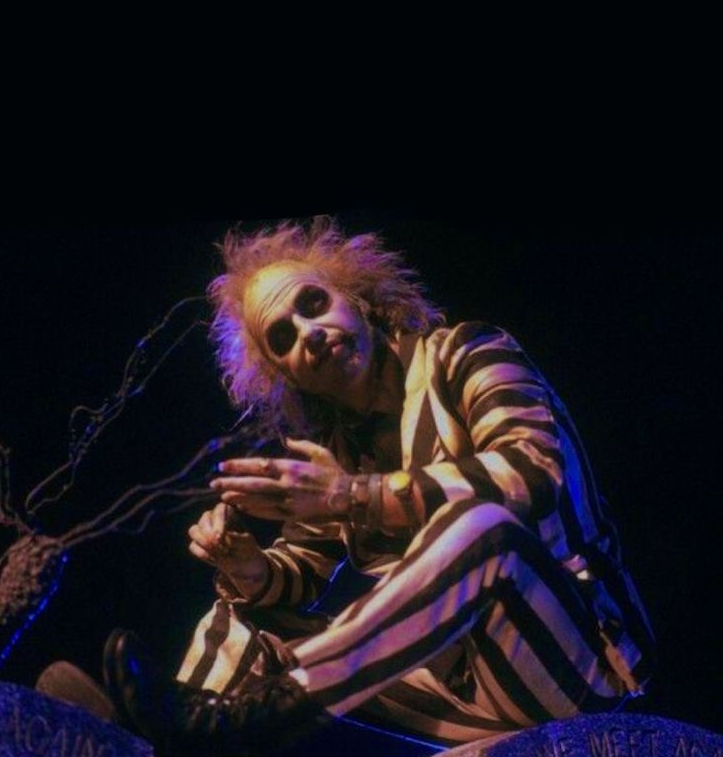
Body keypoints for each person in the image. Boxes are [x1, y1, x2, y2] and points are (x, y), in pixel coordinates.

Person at [104, 217, 655, 755]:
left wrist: (353, 495)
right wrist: (251, 568)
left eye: (313, 303)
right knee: (241, 620)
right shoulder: (338, 450)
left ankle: (267, 716)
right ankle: (142, 746)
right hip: (459, 692)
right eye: (283, 337)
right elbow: (302, 572)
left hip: (577, 660)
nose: (308, 333)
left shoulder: (466, 354)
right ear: (288, 374)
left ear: (357, 298)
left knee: (481, 525)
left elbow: (534, 471)